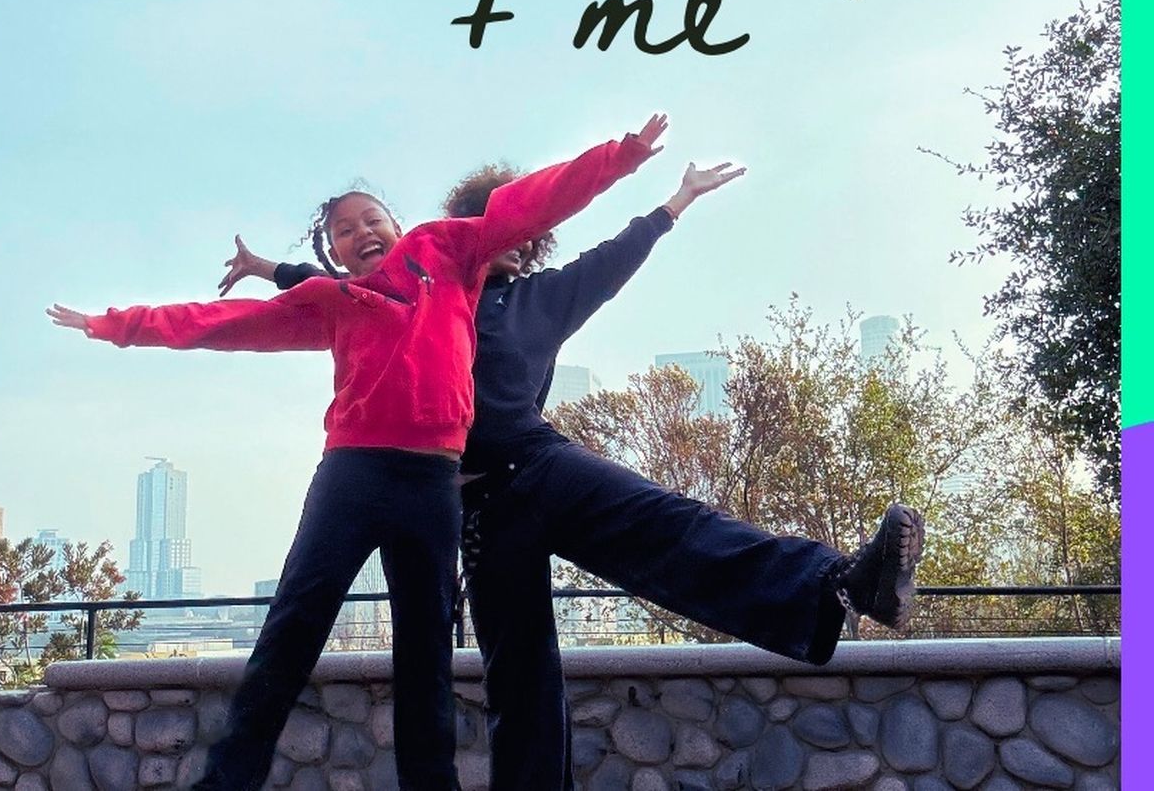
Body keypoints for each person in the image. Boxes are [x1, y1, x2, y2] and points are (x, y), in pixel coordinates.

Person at [224, 159, 925, 791]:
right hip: (474, 511)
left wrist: (675, 202)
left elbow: (613, 258)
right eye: (489, 223)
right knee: (520, 676)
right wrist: (266, 269)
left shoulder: (548, 296)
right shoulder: (424, 289)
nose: (506, 236)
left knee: (671, 526)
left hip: (539, 466)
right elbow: (335, 283)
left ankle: (839, 585)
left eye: (519, 229)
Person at [47, 115, 666, 791]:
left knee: (426, 655)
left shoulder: (448, 251)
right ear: (336, 253)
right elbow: (221, 322)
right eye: (345, 230)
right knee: (291, 631)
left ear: (396, 225)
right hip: (352, 476)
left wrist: (620, 157)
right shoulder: (332, 300)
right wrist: (115, 325)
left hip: (433, 485)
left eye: (372, 219)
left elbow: (527, 205)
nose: (362, 232)